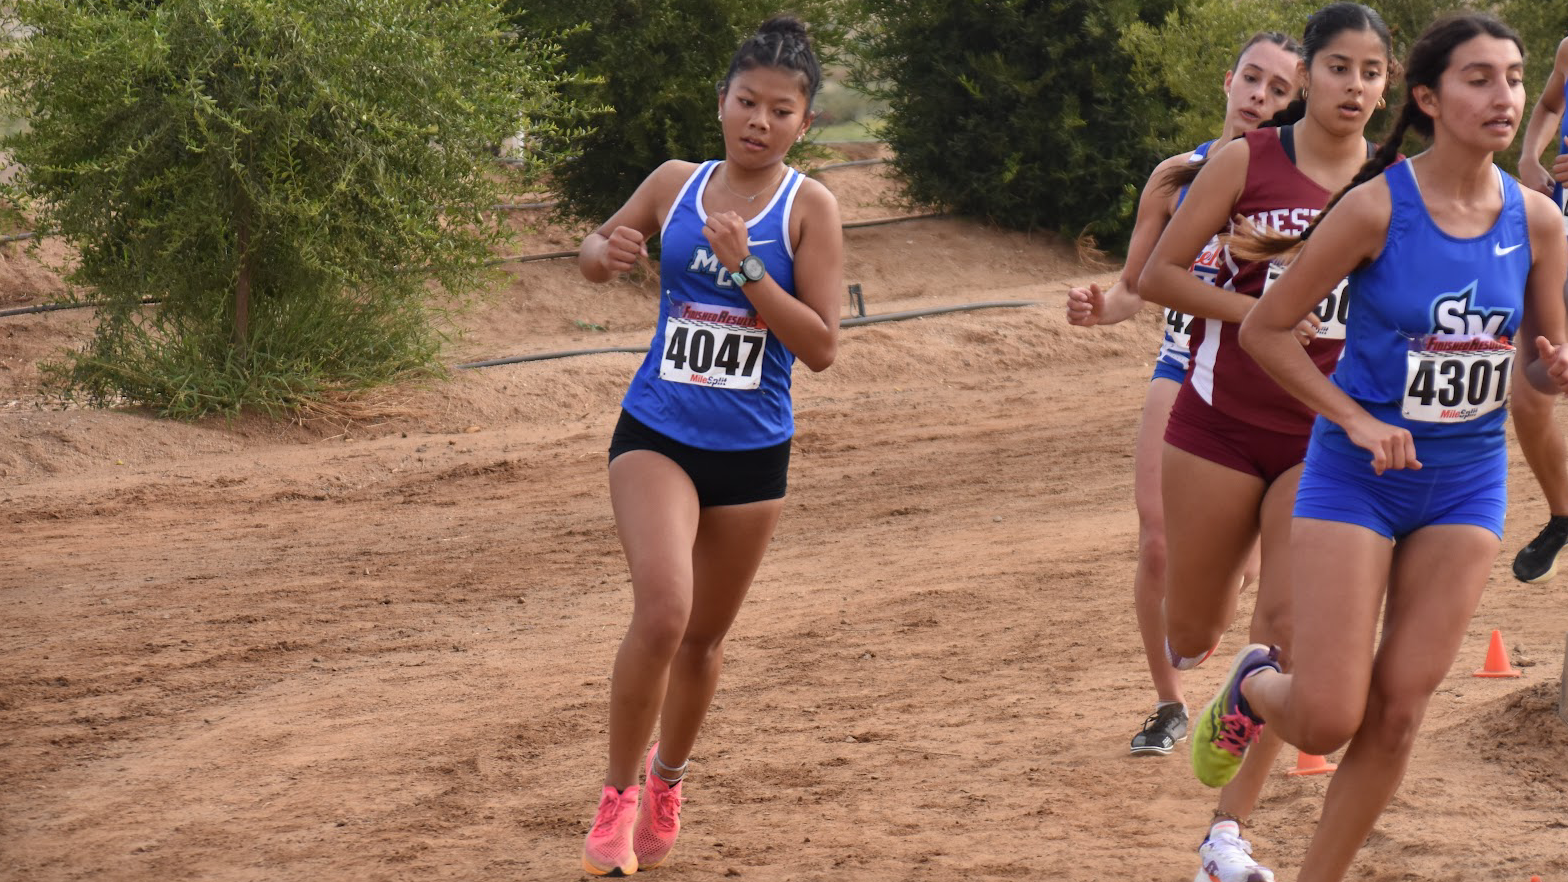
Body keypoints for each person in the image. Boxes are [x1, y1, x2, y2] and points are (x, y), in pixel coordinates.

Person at [1194, 15, 1568, 882]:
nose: (1505, 96)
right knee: (1326, 719)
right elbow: (1267, 329)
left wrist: (1552, 371)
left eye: (1514, 78)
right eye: (1479, 79)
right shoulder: (1374, 207)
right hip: (1355, 478)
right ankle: (1254, 682)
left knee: (1398, 714)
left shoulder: (1540, 222)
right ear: (1430, 99)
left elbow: (1541, 371)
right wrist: (1354, 419)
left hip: (1465, 484)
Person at [574, 16, 842, 877]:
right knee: (663, 611)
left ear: (804, 122)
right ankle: (615, 802)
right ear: (720, 99)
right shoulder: (674, 184)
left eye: (780, 109)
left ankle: (668, 779)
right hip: (656, 429)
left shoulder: (810, 208)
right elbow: (593, 250)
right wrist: (603, 250)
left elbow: (823, 346)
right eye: (746, 101)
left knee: (703, 641)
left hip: (752, 450)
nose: (758, 120)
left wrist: (752, 272)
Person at [1138, 5, 1393, 880]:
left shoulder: (1394, 185)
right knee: (1192, 629)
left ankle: (1226, 834)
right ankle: (1218, 667)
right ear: (1309, 77)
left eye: (1371, 72)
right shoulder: (1249, 162)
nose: (1354, 87)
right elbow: (1156, 274)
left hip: (1321, 435)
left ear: (1390, 85)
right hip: (1216, 420)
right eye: (1338, 69)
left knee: (1284, 634)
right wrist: (1267, 314)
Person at [1068, 32, 1299, 765]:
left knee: (1246, 565)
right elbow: (1139, 285)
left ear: (1295, 103)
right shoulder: (1177, 175)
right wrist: (1098, 308)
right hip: (1184, 363)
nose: (1260, 97)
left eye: (1278, 90)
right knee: (1158, 536)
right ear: (1229, 81)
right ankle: (1170, 702)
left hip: (1278, 381)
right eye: (1252, 79)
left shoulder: (1303, 188)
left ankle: (1246, 695)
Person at [1507, 33, 1568, 582]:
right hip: (1562, 242)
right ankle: (1562, 514)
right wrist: (1530, 156)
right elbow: (1550, 102)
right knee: (1528, 393)